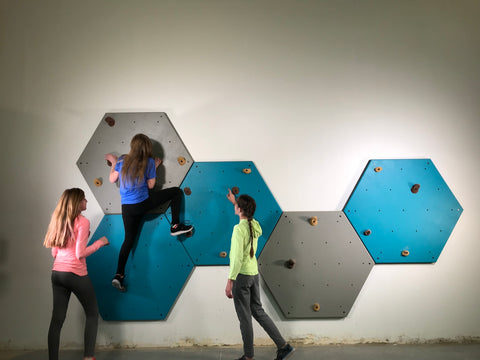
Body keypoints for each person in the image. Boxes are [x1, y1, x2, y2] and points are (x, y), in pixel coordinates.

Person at [104, 133, 193, 292]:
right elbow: (151, 186)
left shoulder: (122, 160)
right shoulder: (149, 162)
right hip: (143, 203)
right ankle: (175, 226)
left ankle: (118, 275)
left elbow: (112, 179)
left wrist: (113, 162)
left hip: (127, 208)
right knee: (176, 192)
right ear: (147, 148)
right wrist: (155, 168)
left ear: (132, 146)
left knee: (128, 240)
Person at [225, 189, 295, 360]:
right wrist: (235, 201)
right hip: (254, 274)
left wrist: (230, 281)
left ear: (240, 210)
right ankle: (283, 346)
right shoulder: (254, 225)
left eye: (237, 206)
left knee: (245, 318)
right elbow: (246, 215)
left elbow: (236, 258)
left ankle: (248, 357)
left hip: (241, 276)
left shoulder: (238, 229)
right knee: (258, 311)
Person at [44, 188, 109, 360]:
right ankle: (88, 357)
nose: (86, 202)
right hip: (75, 273)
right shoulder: (82, 221)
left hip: (57, 273)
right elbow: (79, 254)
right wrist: (100, 243)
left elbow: (54, 253)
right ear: (77, 202)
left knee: (57, 319)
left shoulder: (57, 220)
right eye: (84, 199)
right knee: (92, 313)